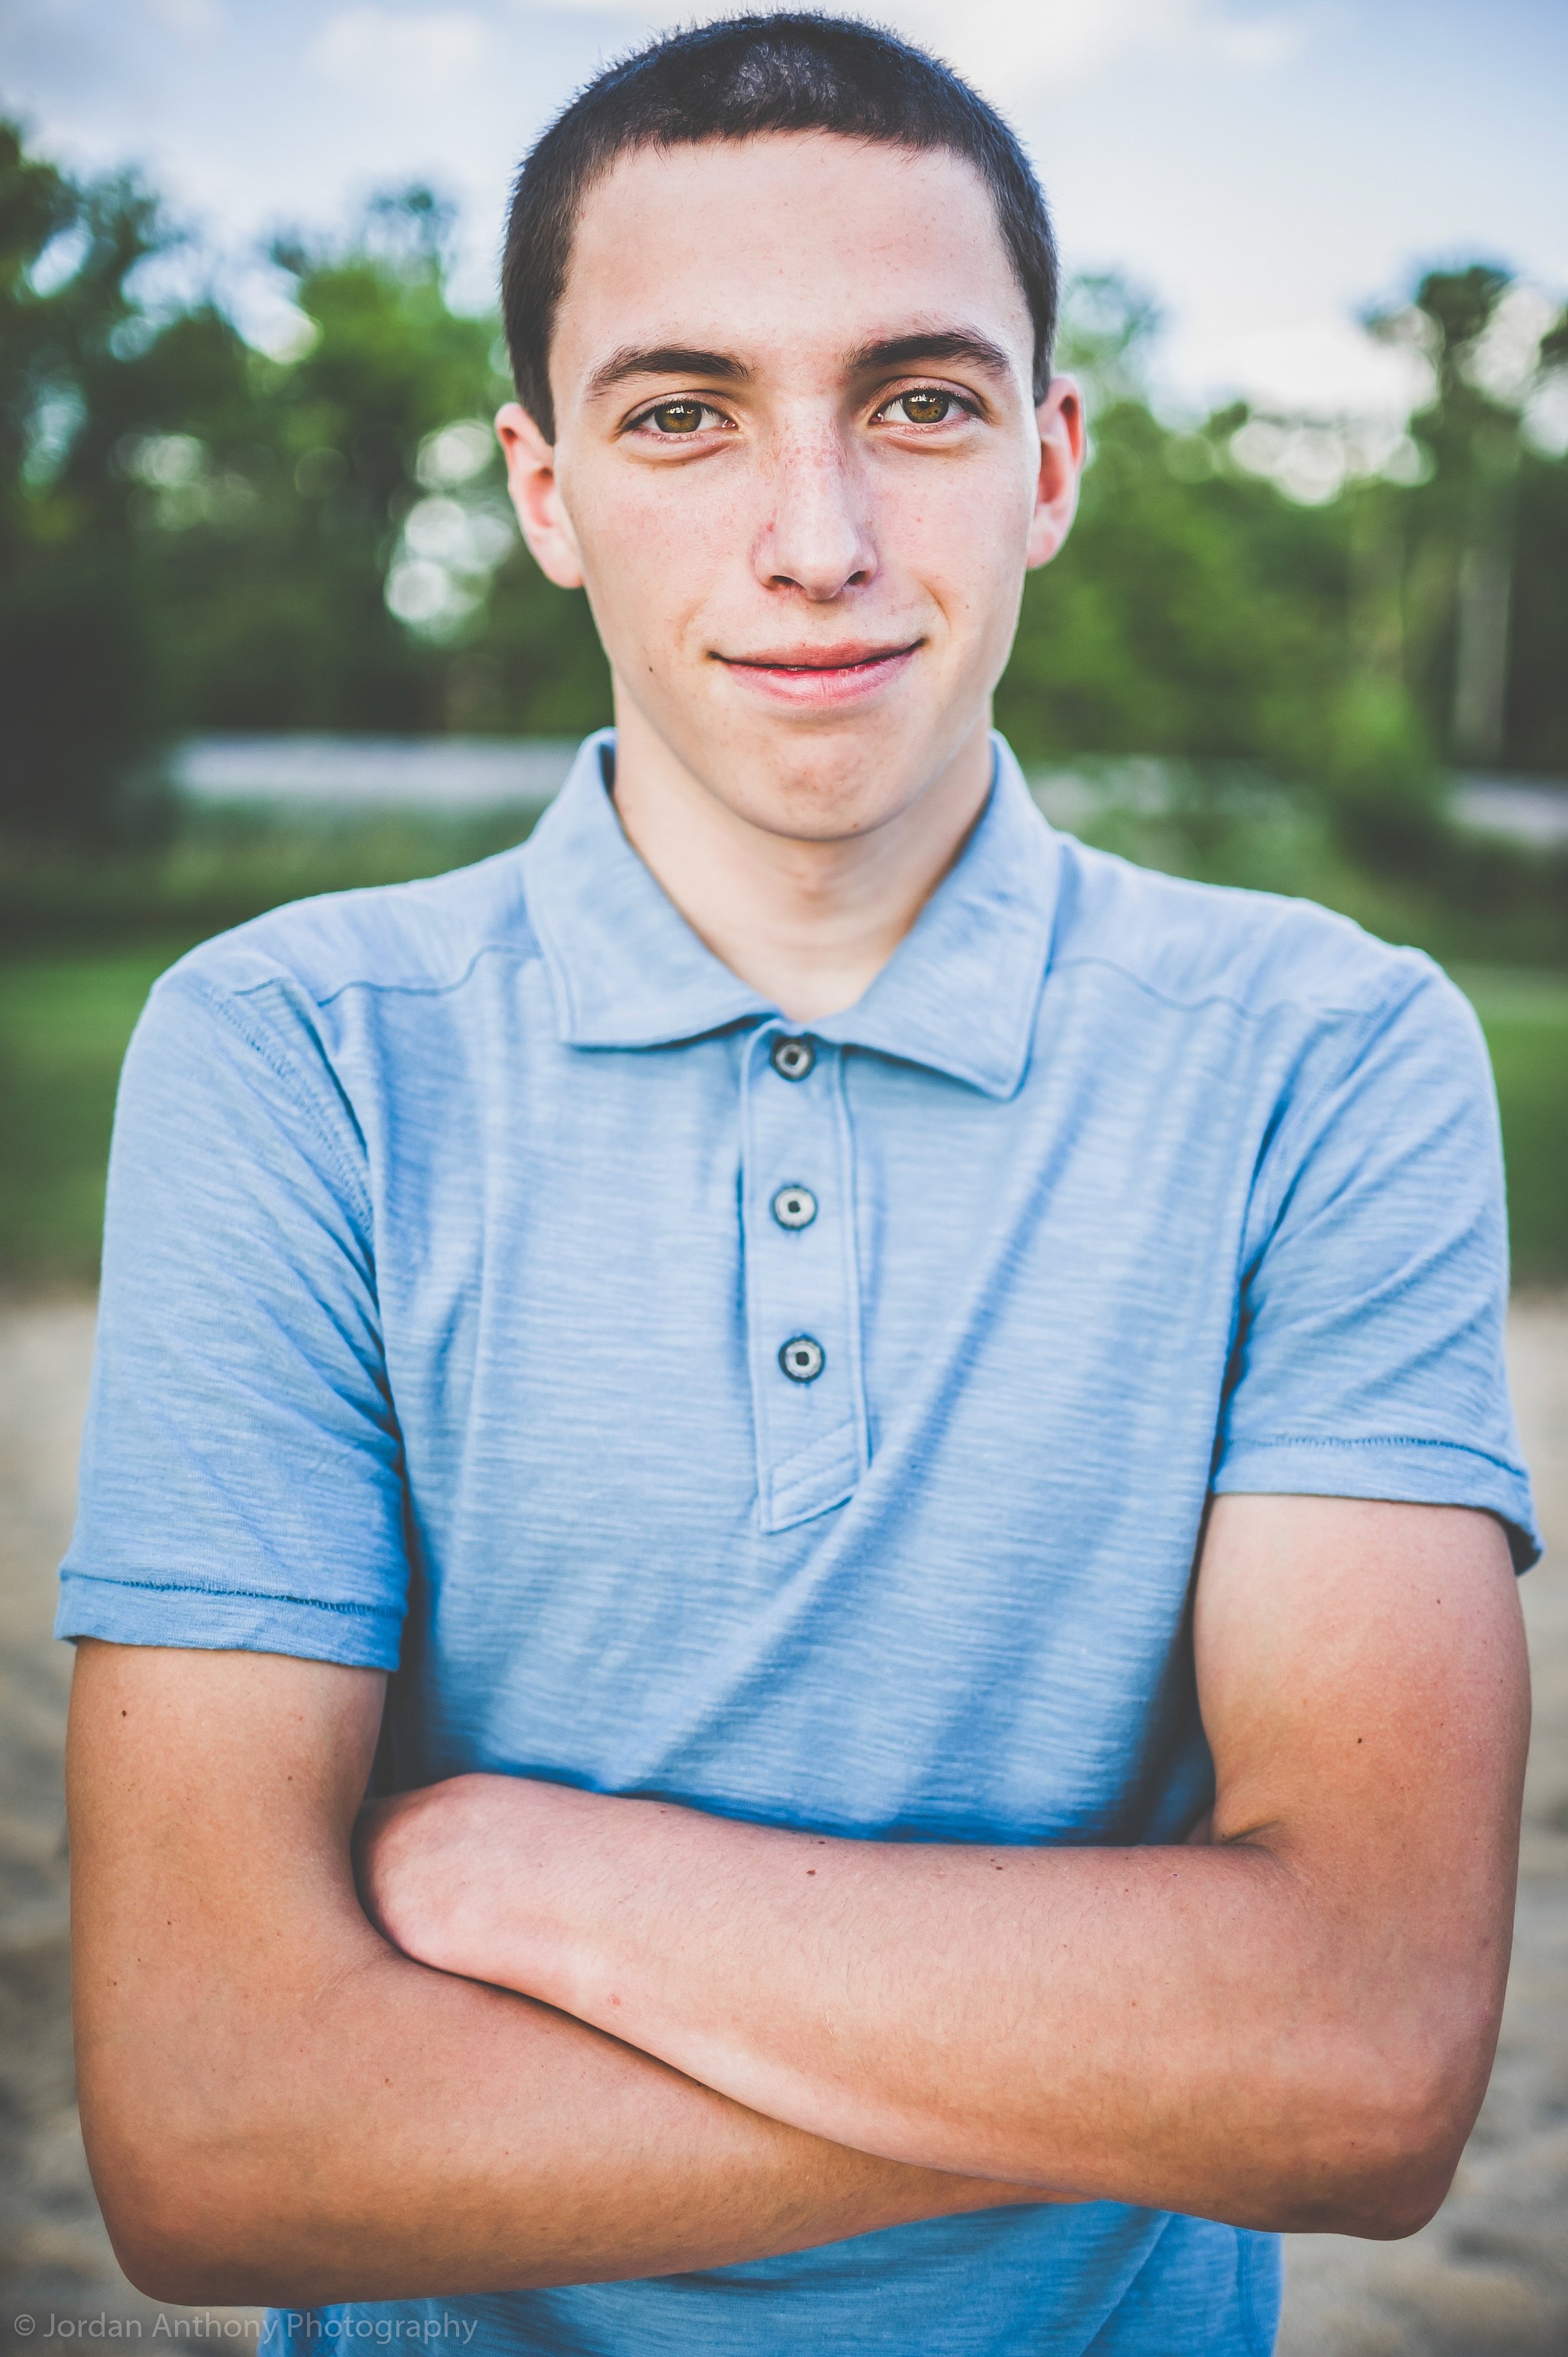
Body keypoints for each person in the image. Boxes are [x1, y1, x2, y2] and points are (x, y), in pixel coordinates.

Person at [60, 16, 1537, 2356]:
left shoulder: (1326, 1059)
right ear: (545, 492)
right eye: (683, 413)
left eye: (921, 403)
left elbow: (1359, 2070)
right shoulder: (297, 1054)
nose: (819, 538)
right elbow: (223, 2136)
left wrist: (536, 1882)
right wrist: (1156, 2054)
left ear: (1047, 460)